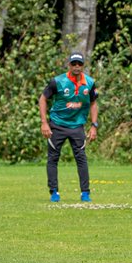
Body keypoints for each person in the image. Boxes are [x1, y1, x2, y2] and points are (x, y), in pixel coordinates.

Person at [38, 52, 98, 202]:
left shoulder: (89, 83)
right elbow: (43, 99)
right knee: (53, 158)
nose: (76, 67)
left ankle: (85, 193)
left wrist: (94, 125)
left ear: (83, 65)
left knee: (81, 159)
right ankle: (54, 193)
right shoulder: (57, 82)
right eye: (74, 64)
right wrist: (44, 122)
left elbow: (93, 103)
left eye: (79, 64)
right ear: (69, 65)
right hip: (57, 125)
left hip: (77, 125)